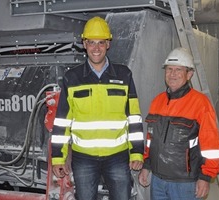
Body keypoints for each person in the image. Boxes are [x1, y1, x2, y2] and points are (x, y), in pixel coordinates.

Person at [50, 16, 144, 200]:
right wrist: (58, 158)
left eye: (101, 42)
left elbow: (134, 117)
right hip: (84, 159)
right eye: (91, 43)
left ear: (108, 44)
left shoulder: (124, 74)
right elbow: (62, 122)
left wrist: (137, 152)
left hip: (117, 157)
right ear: (84, 44)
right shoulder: (72, 78)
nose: (96, 48)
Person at [138, 47, 219, 200]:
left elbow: (211, 145)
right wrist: (146, 166)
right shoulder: (157, 101)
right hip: (158, 180)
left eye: (178, 70)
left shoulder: (200, 103)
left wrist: (205, 177)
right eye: (169, 69)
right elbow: (151, 140)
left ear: (189, 74)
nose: (172, 74)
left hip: (185, 183)